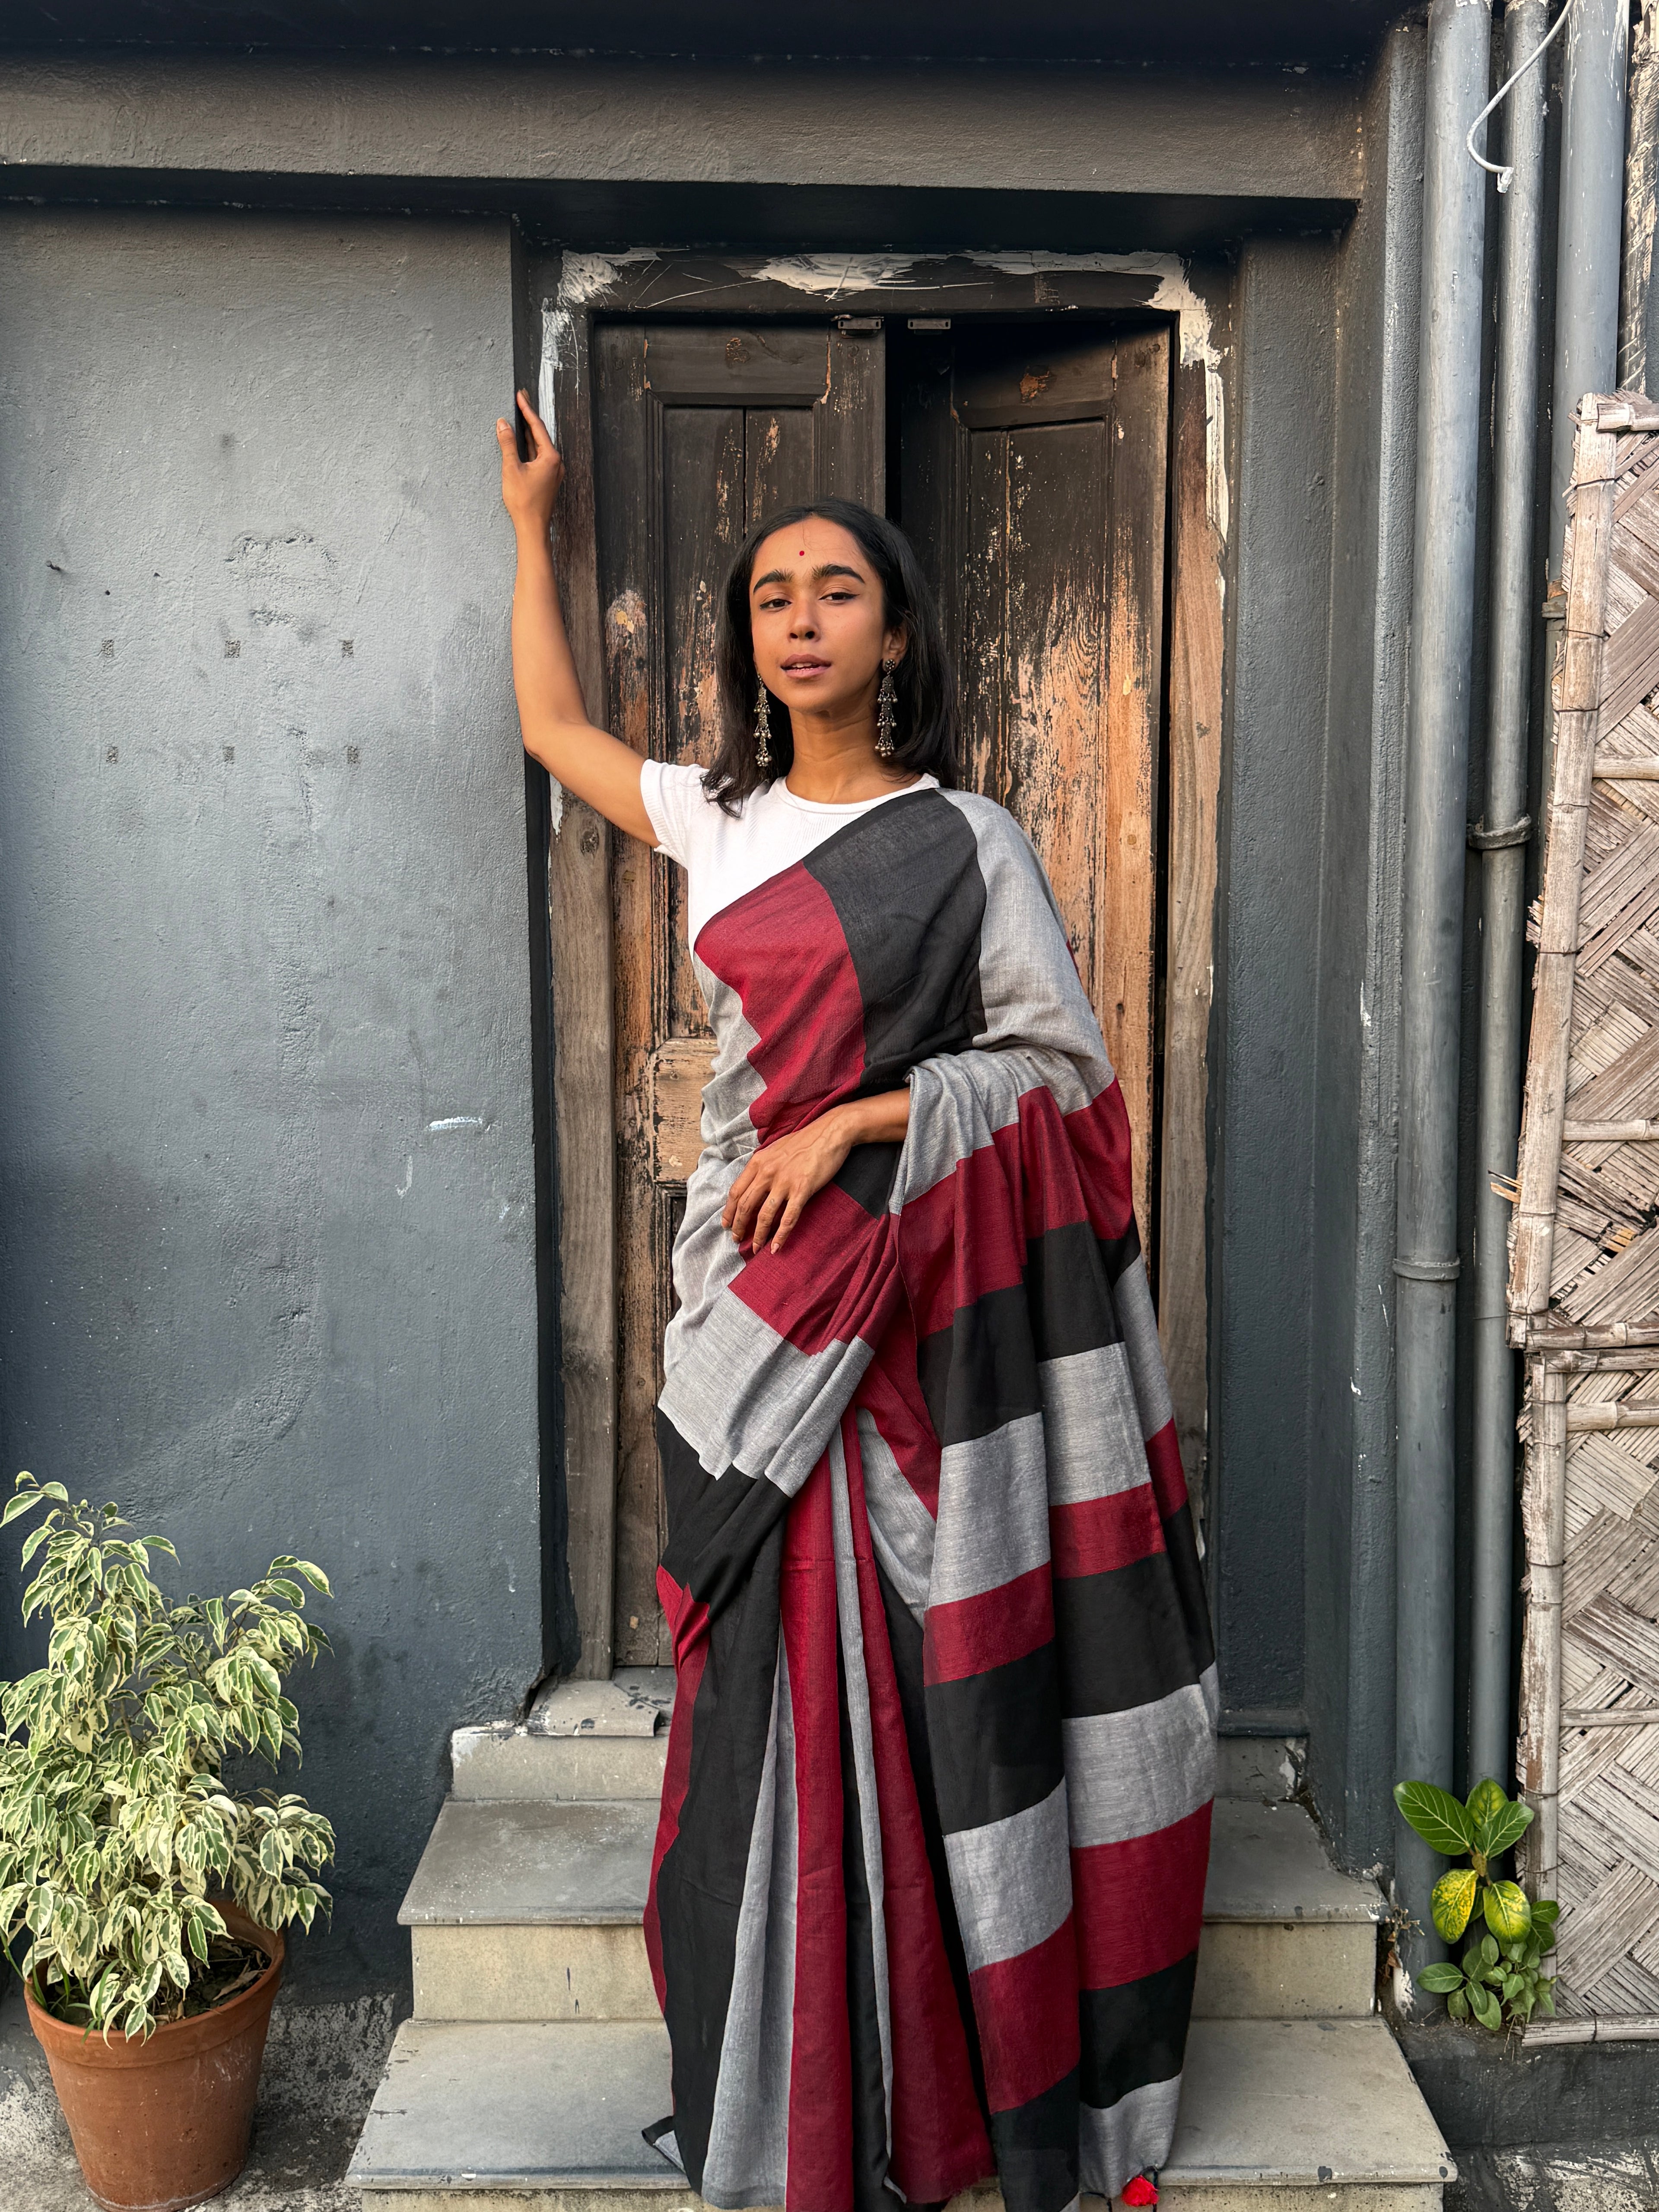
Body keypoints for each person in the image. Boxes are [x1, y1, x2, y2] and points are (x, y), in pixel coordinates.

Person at [497, 390, 1216, 2212]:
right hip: (751, 1316)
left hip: (911, 1318)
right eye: (769, 597)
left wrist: (871, 1117)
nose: (798, 618)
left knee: (919, 1679)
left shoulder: (962, 835)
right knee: (767, 1692)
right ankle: (795, 2066)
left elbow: (1061, 1072)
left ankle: (940, 2077)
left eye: (835, 590)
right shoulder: (714, 816)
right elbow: (548, 726)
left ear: (895, 630)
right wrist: (537, 527)